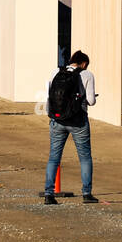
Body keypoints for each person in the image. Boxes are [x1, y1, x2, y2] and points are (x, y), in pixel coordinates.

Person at [42, 50, 99, 205]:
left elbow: (49, 95)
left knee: (54, 157)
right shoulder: (87, 75)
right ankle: (86, 194)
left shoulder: (56, 72)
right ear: (84, 63)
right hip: (78, 121)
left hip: (57, 120)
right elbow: (92, 101)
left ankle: (49, 194)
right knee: (85, 157)